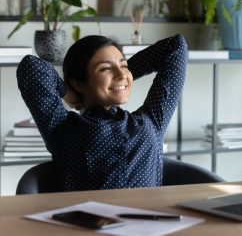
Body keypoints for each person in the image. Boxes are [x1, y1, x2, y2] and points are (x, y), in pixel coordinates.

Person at [17, 34, 187, 192]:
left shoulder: (152, 119)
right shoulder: (61, 128)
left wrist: (123, 77)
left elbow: (176, 46)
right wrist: (68, 92)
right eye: (105, 68)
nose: (121, 73)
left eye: (124, 65)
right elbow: (31, 66)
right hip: (86, 223)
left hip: (151, 221)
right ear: (78, 84)